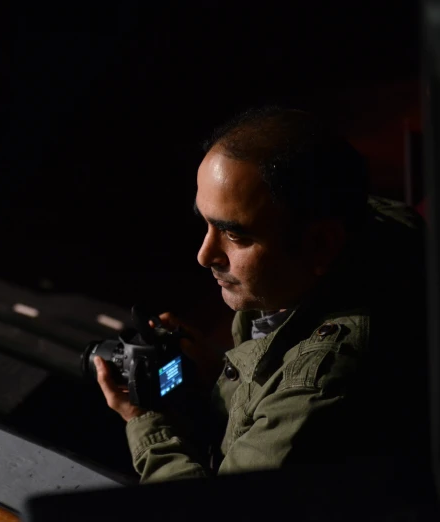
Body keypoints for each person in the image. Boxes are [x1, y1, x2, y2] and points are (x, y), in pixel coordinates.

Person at [96, 107, 429, 482]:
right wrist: (222, 374)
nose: (205, 255)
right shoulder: (363, 223)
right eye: (205, 223)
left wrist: (146, 423)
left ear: (320, 244)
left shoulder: (321, 385)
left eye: (235, 235)